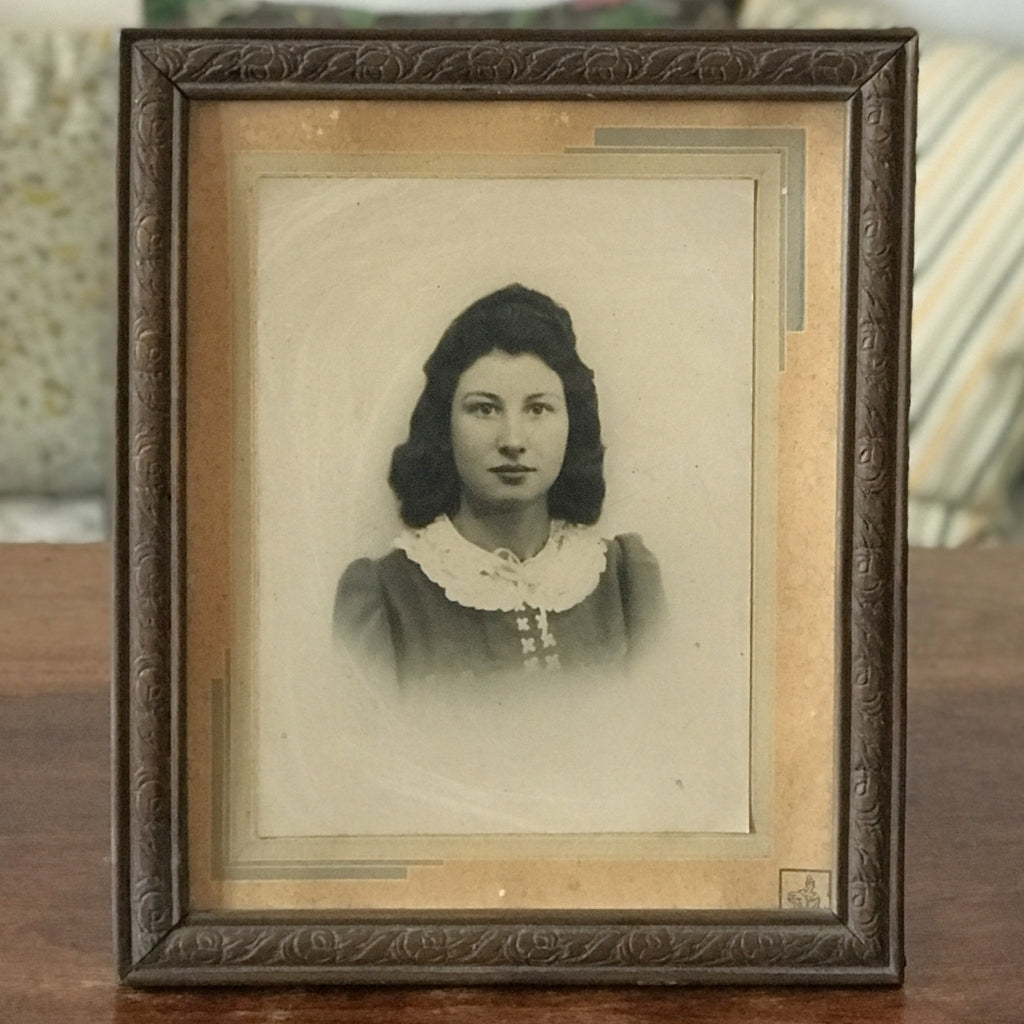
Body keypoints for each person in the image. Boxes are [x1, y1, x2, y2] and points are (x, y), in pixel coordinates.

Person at [334, 283, 664, 686]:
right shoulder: (384, 597)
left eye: (538, 408)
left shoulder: (625, 581)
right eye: (485, 409)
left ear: (572, 423)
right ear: (444, 426)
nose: (512, 440)